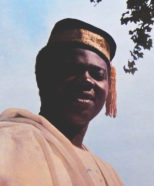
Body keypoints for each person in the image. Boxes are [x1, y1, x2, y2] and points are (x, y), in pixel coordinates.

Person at [0, 18, 123, 186]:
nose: (87, 80)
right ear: (43, 75)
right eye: (72, 69)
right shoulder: (11, 141)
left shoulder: (108, 173)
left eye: (98, 74)